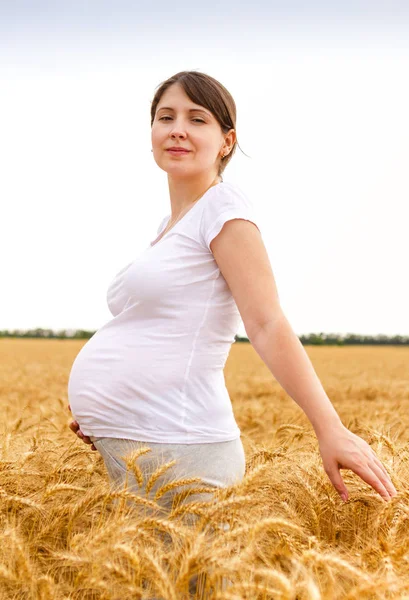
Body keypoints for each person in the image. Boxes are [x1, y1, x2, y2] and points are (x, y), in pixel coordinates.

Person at [68, 70, 397, 518]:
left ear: (226, 140)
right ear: (151, 133)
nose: (178, 128)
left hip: (181, 454)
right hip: (141, 446)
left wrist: (330, 428)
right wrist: (106, 412)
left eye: (197, 119)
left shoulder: (224, 208)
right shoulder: (168, 227)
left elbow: (266, 322)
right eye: (166, 117)